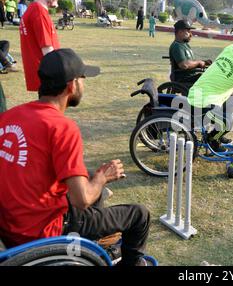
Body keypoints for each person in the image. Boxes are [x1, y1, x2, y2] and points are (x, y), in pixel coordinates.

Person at [0, 49, 152, 266]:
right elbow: (82, 200)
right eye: (83, 78)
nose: (84, 84)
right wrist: (102, 177)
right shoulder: (62, 127)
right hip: (43, 232)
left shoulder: (10, 116)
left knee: (89, 180)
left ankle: (94, 235)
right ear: (72, 86)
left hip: (10, 226)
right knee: (139, 215)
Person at [20, 0, 62, 92]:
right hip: (48, 76)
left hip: (42, 74)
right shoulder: (38, 12)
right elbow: (47, 51)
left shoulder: (32, 9)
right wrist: (61, 71)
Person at [169, 20, 212, 87]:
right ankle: (199, 96)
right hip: (183, 78)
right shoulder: (177, 46)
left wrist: (203, 62)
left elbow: (190, 62)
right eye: (188, 31)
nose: (191, 34)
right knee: (206, 78)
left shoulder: (185, 45)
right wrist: (198, 63)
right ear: (180, 32)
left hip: (190, 76)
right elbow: (184, 65)